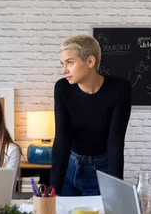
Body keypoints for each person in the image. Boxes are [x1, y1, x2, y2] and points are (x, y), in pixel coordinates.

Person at [51, 35, 132, 196]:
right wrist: (54, 187)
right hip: (70, 168)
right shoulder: (62, 88)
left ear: (90, 61)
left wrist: (117, 189)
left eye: (70, 62)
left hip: (102, 171)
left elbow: (115, 141)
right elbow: (62, 138)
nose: (64, 70)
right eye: (63, 64)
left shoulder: (120, 89)